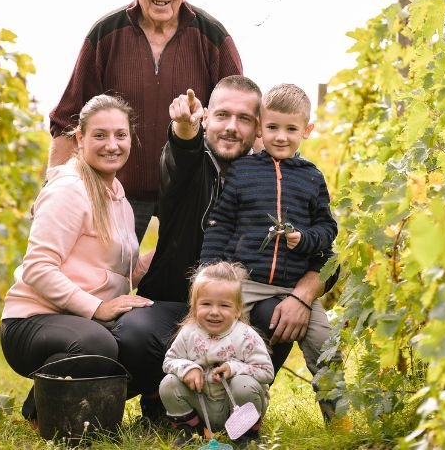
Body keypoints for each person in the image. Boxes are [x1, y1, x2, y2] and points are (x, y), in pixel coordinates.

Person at [115, 75, 320, 423]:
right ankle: (159, 399)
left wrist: (303, 296)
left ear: (258, 129)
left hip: (238, 305)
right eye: (223, 115)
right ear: (206, 117)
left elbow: (324, 249)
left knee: (278, 312)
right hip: (173, 302)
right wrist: (183, 126)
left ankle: (231, 404)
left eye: (244, 119)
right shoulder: (188, 163)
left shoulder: (279, 178)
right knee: (134, 333)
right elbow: (182, 149)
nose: (231, 127)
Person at [48, 0, 243, 242]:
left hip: (191, 194)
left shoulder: (212, 37)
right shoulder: (106, 34)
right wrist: (54, 186)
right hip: (114, 191)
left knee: (183, 284)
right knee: (105, 278)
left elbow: (241, 114)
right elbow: (68, 118)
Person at [0, 94, 154, 426]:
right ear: (80, 139)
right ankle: (38, 409)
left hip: (81, 322)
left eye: (120, 135)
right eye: (100, 135)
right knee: (97, 343)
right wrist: (97, 308)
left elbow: (122, 275)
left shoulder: (120, 201)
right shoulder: (70, 189)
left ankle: (79, 412)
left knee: (147, 340)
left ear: (131, 139)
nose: (112, 144)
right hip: (33, 322)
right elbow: (38, 268)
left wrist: (172, 246)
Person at [200, 83, 338, 408]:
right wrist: (208, 276)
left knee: (324, 341)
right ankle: (220, 415)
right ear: (260, 127)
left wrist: (305, 240)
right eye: (272, 127)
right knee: (225, 344)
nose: (280, 136)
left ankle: (340, 420)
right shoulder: (242, 172)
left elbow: (327, 228)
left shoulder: (312, 177)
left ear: (307, 130)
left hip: (291, 286)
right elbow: (220, 225)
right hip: (244, 284)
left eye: (291, 129)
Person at [160, 261, 273, 446]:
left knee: (243, 384)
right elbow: (170, 361)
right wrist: (188, 368)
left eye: (224, 306)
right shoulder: (189, 333)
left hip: (235, 406)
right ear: (194, 306)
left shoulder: (245, 336)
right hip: (202, 403)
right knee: (169, 383)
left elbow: (266, 372)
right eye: (206, 304)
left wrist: (234, 368)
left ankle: (245, 436)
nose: (214, 312)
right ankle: (192, 433)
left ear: (237, 310)